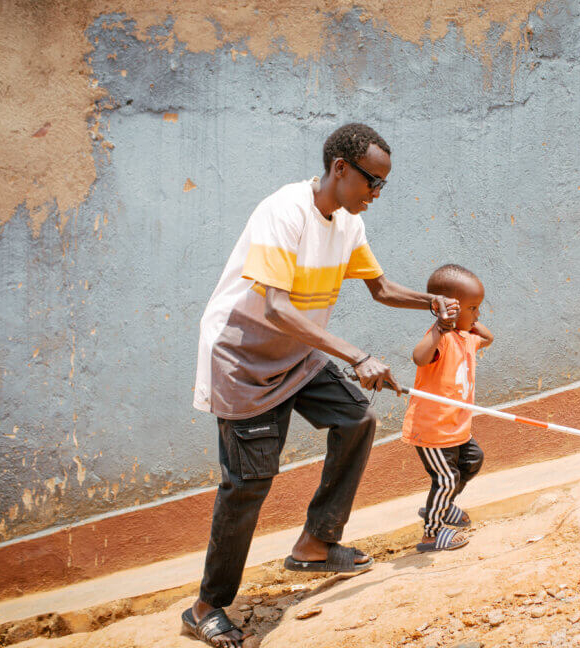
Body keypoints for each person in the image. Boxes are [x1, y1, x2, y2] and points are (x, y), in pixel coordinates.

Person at [183, 123, 460, 648]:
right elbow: (275, 307)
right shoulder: (283, 212)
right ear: (339, 169)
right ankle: (206, 607)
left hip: (298, 353)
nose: (376, 194)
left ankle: (315, 543)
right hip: (244, 360)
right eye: (371, 182)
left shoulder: (347, 223)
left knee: (358, 417)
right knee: (248, 485)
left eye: (382, 185)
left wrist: (431, 302)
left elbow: (379, 289)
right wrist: (357, 355)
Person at [401, 264, 493, 552]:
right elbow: (419, 357)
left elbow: (488, 339)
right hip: (433, 430)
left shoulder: (466, 337)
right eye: (473, 308)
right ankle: (432, 531)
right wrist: (442, 326)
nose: (477, 314)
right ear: (449, 310)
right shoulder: (440, 339)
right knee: (446, 478)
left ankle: (443, 506)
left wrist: (472, 323)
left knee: (471, 461)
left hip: (457, 428)